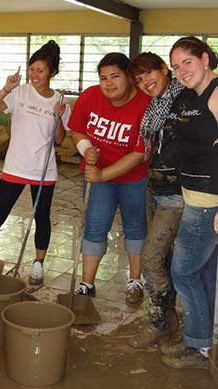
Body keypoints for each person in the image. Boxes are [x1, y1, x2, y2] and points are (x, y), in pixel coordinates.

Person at [0, 40, 69, 286]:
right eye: (32, 69)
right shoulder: (19, 93)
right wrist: (6, 89)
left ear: (52, 72)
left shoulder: (59, 100)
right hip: (15, 168)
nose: (34, 74)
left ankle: (38, 265)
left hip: (44, 171)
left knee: (42, 217)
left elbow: (59, 139)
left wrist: (59, 116)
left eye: (40, 70)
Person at [68, 53, 151, 305]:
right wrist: (86, 150)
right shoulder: (91, 96)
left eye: (115, 76)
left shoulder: (146, 104)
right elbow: (77, 129)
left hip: (133, 177)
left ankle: (134, 280)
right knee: (94, 226)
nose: (108, 84)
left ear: (129, 76)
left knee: (135, 226)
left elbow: (140, 153)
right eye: (103, 78)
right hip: (97, 176)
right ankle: (87, 284)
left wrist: (103, 173)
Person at [160, 37, 218, 369]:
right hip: (194, 194)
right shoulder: (189, 95)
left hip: (208, 200)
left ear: (206, 59)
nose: (182, 71)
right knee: (203, 272)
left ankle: (196, 348)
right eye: (176, 66)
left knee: (182, 272)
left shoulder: (215, 92)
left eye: (188, 63)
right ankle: (205, 341)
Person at [127, 53, 186, 348]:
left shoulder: (187, 99)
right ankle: (170, 321)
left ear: (164, 69)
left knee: (150, 256)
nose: (145, 83)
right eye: (139, 80)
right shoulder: (154, 108)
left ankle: (161, 322)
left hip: (180, 194)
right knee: (164, 258)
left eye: (149, 74)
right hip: (156, 189)